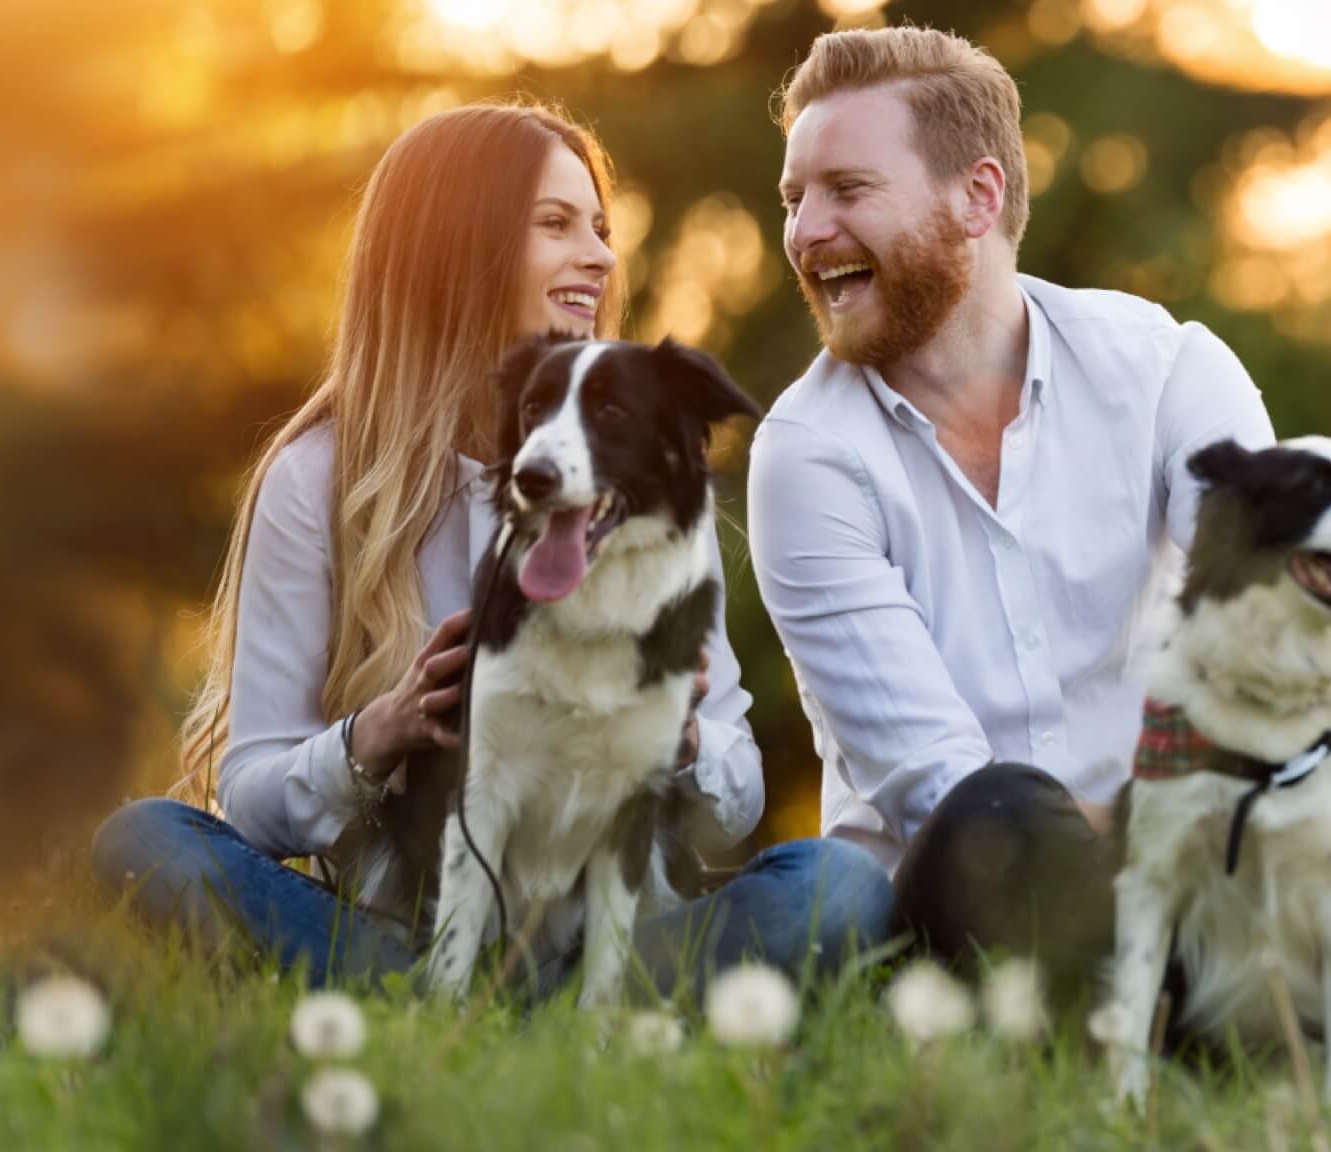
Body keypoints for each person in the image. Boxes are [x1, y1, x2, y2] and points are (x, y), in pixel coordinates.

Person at [748, 27, 1331, 1027]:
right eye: (793, 199)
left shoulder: (1162, 367)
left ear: (977, 197)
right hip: (990, 920)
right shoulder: (808, 457)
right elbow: (931, 785)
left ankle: (1285, 1030)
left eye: (846, 190)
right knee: (994, 808)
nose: (806, 231)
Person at [91, 101, 891, 991]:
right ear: (456, 248)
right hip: (398, 930)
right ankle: (456, 995)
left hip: (614, 937)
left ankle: (547, 1004)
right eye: (555, 225)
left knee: (840, 884)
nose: (597, 255)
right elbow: (250, 800)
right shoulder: (318, 476)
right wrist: (376, 735)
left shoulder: (646, 486)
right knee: (147, 842)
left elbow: (736, 798)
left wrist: (689, 739)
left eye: (599, 228)